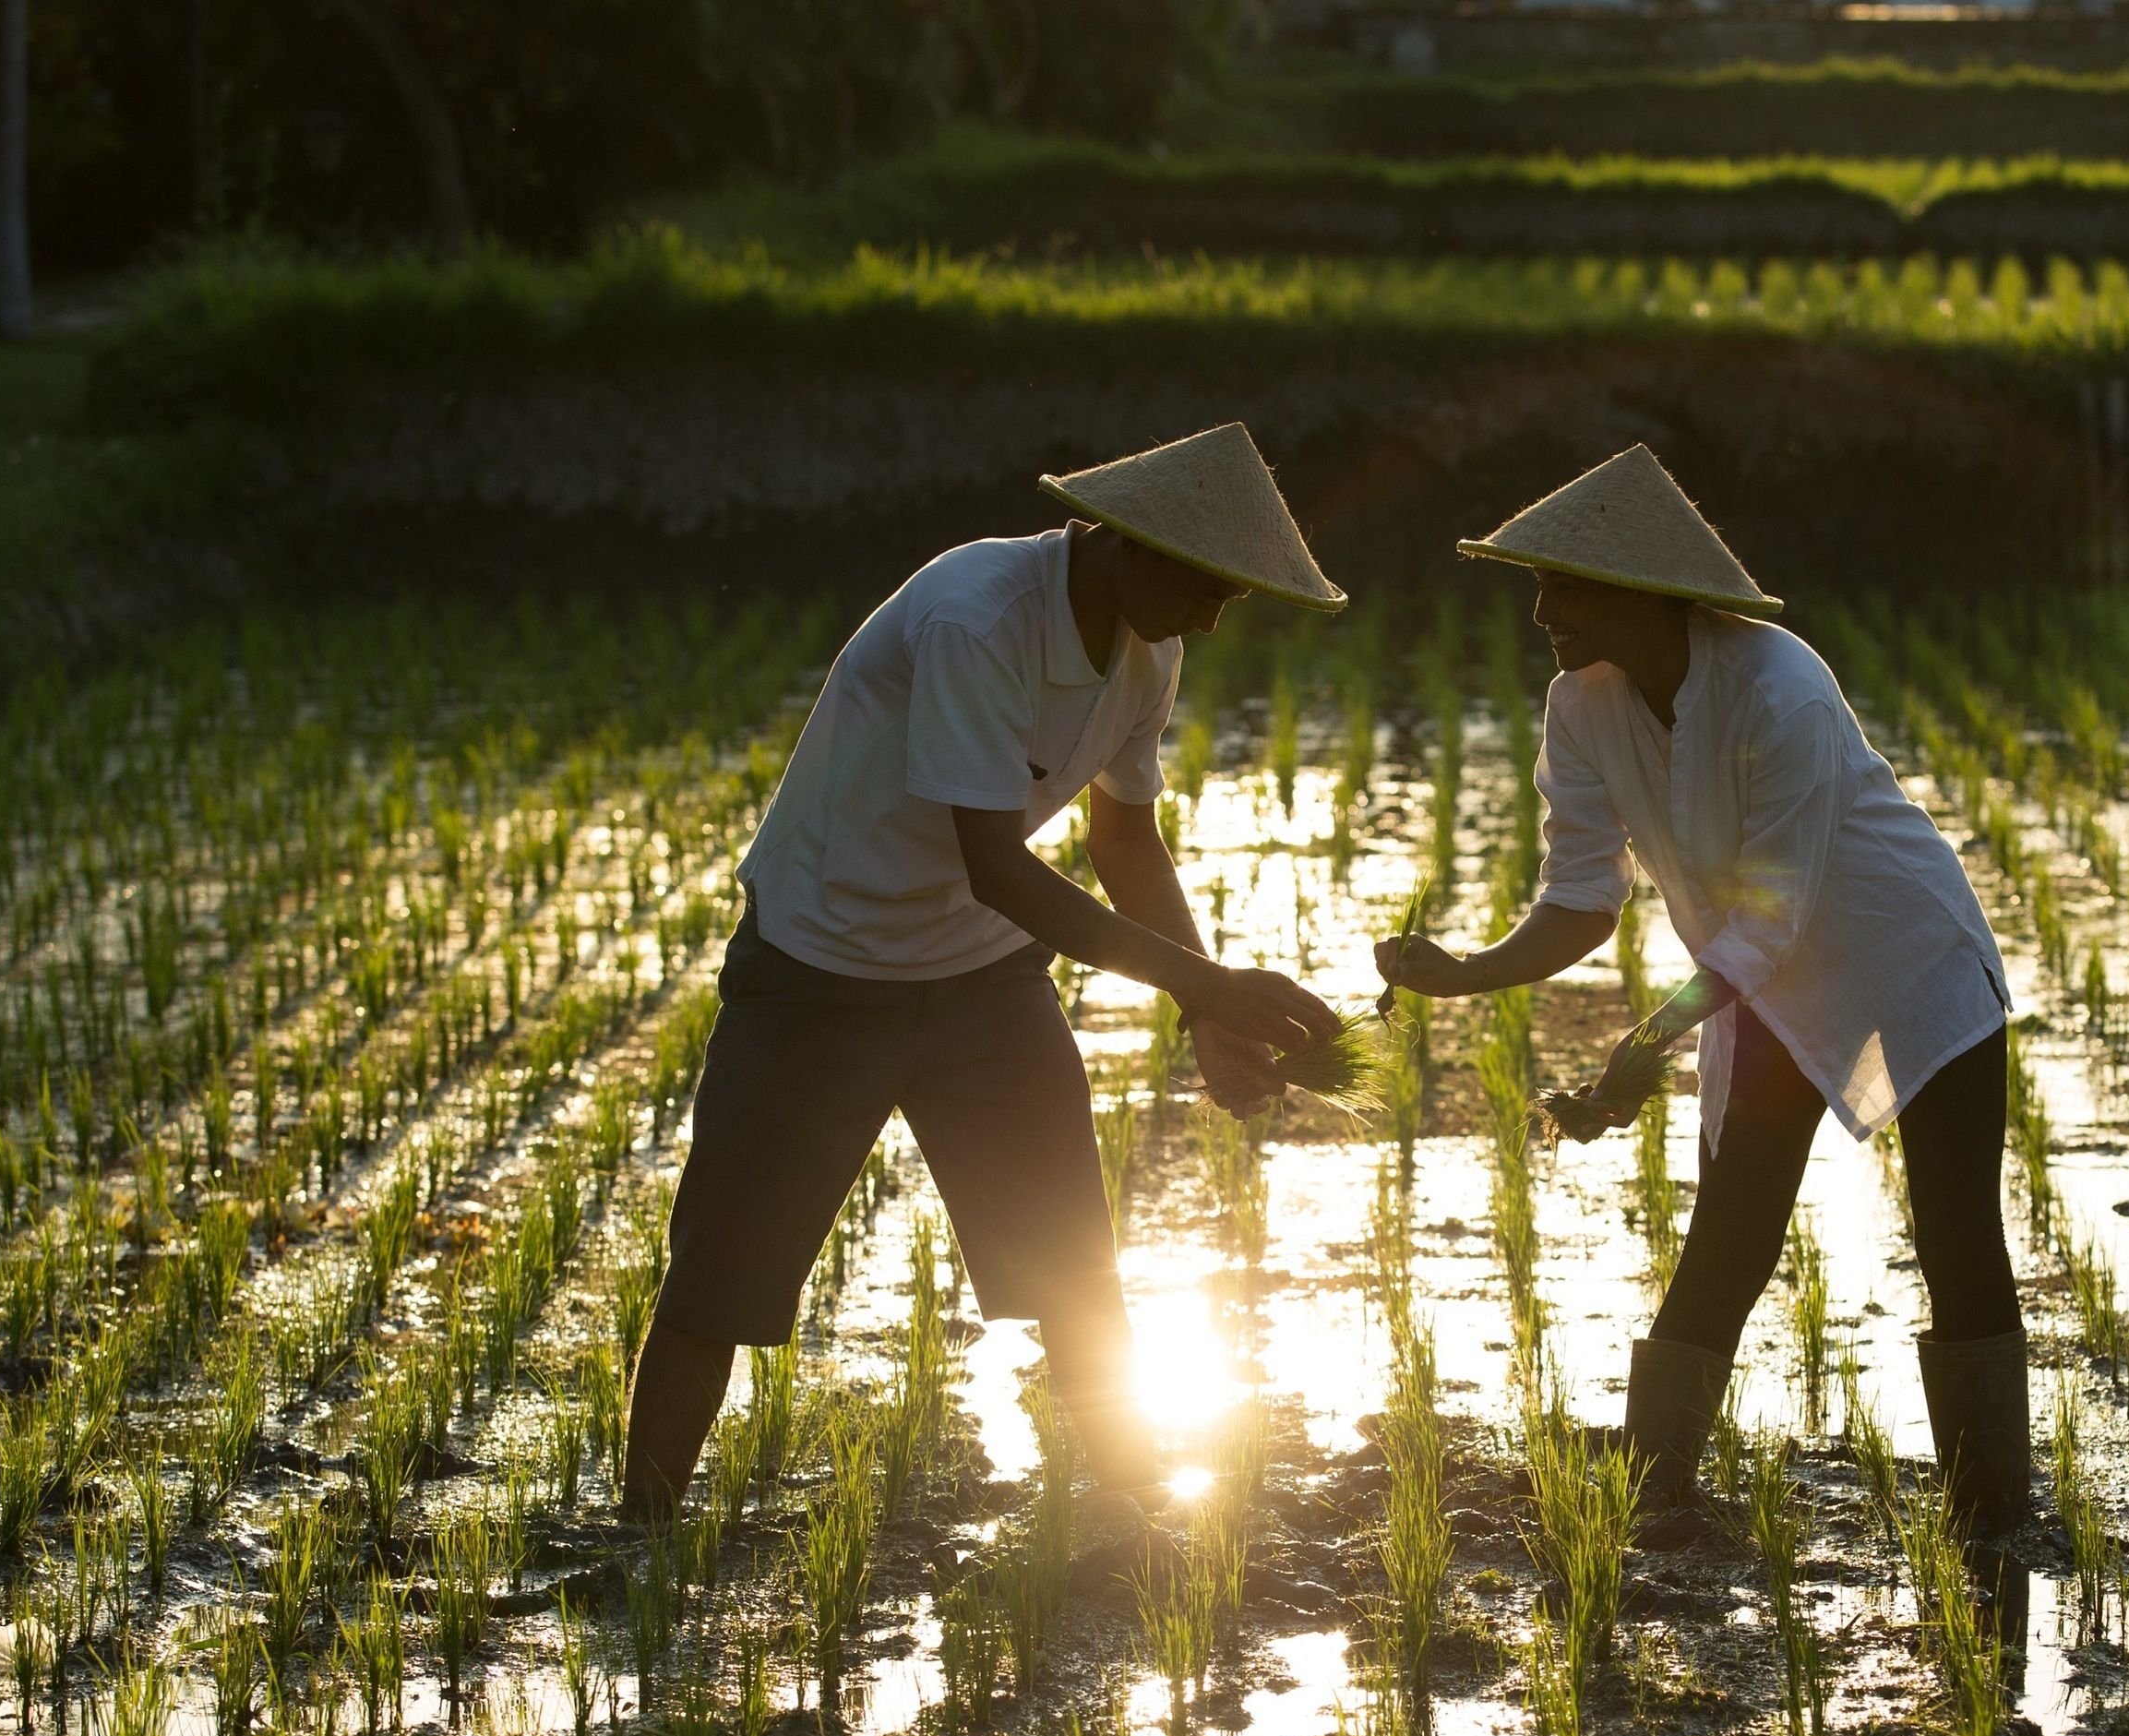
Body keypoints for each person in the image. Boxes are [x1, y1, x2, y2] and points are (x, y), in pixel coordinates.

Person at [623, 424, 1345, 1528]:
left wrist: (1204, 1013)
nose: (1212, 616)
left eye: (1231, 599)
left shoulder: (1150, 645)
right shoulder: (981, 615)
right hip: (823, 963)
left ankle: (1131, 1511)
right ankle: (640, 1535)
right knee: (723, 1273)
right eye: (1206, 587)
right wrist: (1202, 986)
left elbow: (1125, 845)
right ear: (1122, 543)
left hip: (978, 978)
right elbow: (997, 864)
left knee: (1073, 1262)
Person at [1375, 446, 2035, 1570]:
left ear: (1644, 590)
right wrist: (1464, 972)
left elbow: (1770, 920)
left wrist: (1647, 1038)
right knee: (1729, 1232)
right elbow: (1583, 893)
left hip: (1909, 962)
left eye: (1563, 586)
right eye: (1536, 585)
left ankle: (1994, 1518)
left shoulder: (1780, 688)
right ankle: (1651, 1494)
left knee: (1957, 1233)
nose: (1541, 613)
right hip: (1761, 987)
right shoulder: (1580, 707)